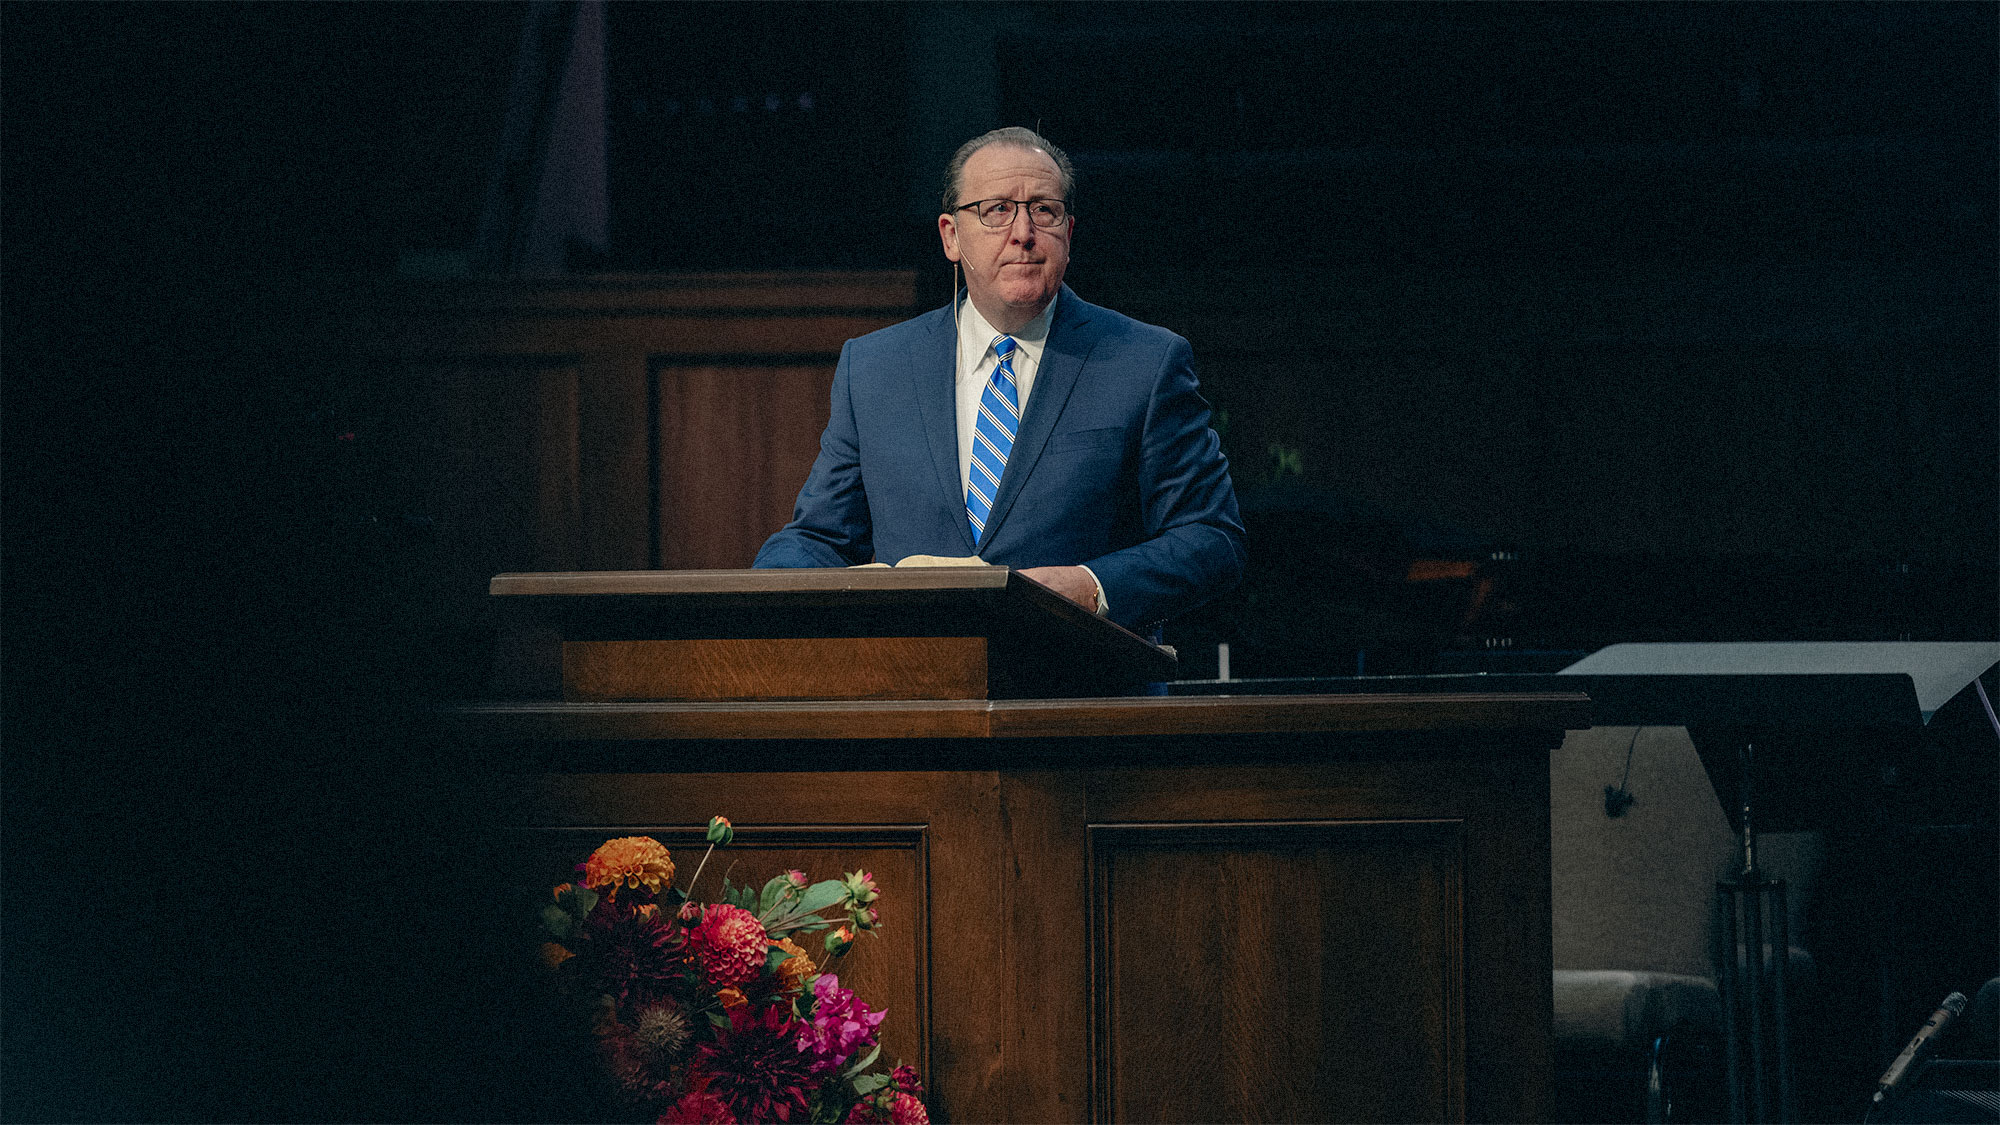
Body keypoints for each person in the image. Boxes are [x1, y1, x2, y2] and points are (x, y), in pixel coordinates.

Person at [753, 127, 1244, 636]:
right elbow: (822, 538)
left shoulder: (1145, 361)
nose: (1023, 232)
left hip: (1085, 693)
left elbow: (1211, 538)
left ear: (1068, 234)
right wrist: (758, 592)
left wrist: (1092, 585)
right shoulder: (876, 367)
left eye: (1044, 211)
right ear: (951, 235)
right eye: (997, 210)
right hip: (919, 692)